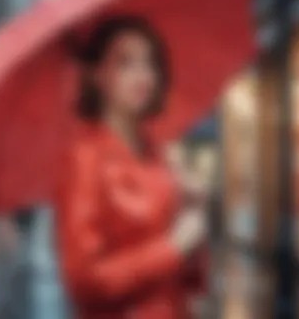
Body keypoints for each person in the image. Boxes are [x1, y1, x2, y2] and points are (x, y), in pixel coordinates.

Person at [55, 16, 208, 319]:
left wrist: (192, 209)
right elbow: (84, 279)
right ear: (97, 74)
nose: (143, 75)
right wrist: (172, 248)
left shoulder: (158, 153)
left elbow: (191, 280)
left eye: (149, 62)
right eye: (125, 63)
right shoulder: (83, 159)